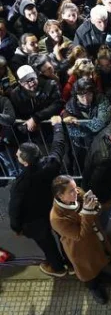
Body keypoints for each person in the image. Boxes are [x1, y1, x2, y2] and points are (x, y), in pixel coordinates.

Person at [8, 115, 67, 277]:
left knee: (47, 244)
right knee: (64, 236)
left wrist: (16, 227)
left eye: (18, 155)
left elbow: (15, 208)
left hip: (34, 220)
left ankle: (58, 268)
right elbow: (59, 145)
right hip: (54, 208)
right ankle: (71, 261)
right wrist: (58, 126)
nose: (17, 156)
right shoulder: (51, 164)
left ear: (25, 162)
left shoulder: (21, 182)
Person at [50, 176, 111, 305]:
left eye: (75, 187)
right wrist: (87, 211)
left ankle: (101, 275)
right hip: (79, 249)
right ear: (60, 195)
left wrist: (95, 206)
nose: (77, 192)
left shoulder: (77, 194)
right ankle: (94, 288)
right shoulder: (57, 218)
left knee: (98, 259)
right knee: (87, 270)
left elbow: (97, 210)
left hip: (94, 238)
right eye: (71, 191)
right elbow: (80, 236)